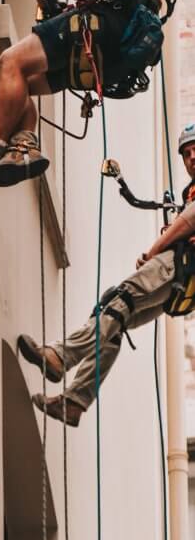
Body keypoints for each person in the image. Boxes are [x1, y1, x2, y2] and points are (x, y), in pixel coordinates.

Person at [17, 125, 195, 425]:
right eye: (186, 154)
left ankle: (61, 356)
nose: (191, 157)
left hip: (179, 264)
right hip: (182, 281)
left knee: (119, 298)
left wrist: (153, 251)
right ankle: (75, 401)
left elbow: (189, 220)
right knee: (114, 318)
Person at [0, 0, 164, 187]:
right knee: (23, 84)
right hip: (119, 45)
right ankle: (23, 148)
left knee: (12, 61)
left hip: (112, 21)